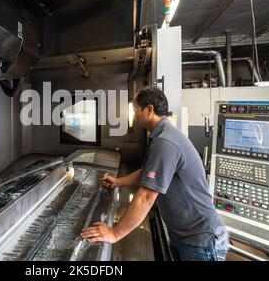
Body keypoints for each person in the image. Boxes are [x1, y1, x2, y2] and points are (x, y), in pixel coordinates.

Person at [81, 87, 228, 261]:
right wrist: (119, 182)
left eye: (136, 111)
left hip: (201, 241)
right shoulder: (164, 135)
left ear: (149, 109)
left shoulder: (165, 142)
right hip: (187, 235)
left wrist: (114, 233)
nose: (134, 116)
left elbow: (146, 197)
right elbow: (149, 171)